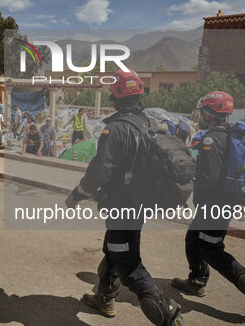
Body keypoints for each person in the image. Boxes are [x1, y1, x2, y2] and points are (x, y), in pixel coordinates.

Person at [66, 70, 184, 326]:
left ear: (116, 97)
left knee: (128, 263)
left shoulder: (116, 129)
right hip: (140, 203)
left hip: (123, 204)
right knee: (113, 248)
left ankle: (169, 317)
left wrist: (77, 194)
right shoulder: (149, 123)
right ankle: (104, 296)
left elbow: (100, 169)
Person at [171, 91, 245, 321]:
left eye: (202, 112)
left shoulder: (211, 139)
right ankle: (197, 280)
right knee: (192, 237)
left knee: (213, 251)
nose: (200, 116)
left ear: (210, 114)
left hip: (214, 206)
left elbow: (208, 177)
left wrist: (188, 174)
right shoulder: (232, 135)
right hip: (221, 204)